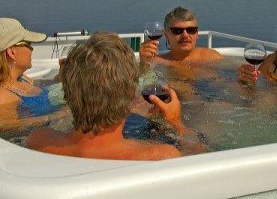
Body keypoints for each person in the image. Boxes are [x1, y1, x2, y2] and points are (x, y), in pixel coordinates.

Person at [27, 31, 201, 160]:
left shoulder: (39, 140)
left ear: (67, 91)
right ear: (132, 94)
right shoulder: (160, 156)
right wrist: (176, 125)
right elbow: (202, 161)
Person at [0, 18, 68, 131]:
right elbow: (7, 128)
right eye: (28, 44)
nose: (32, 49)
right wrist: (60, 115)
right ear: (12, 52)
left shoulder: (21, 79)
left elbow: (47, 84)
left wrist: (62, 74)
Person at [139, 6, 223, 68]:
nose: (185, 35)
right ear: (167, 35)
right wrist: (143, 64)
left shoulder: (212, 57)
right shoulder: (157, 62)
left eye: (191, 30)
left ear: (197, 33)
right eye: (177, 31)